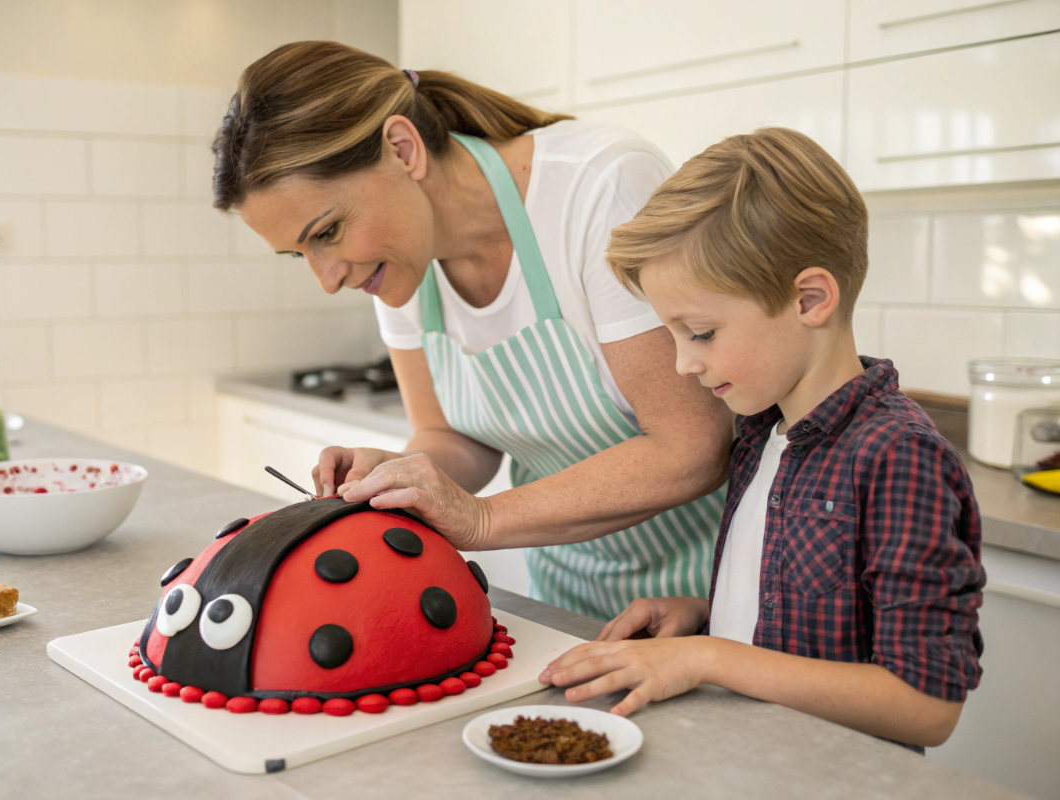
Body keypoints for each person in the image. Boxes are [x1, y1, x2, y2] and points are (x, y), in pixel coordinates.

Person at [212, 41, 733, 620]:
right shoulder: (398, 263)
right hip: (565, 595)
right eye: (299, 254)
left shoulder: (597, 186)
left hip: (711, 593)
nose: (328, 279)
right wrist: (396, 473)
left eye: (328, 232)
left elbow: (693, 447)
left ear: (403, 149)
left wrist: (480, 518)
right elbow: (452, 435)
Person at [539, 127, 984, 750]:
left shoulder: (898, 457)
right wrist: (704, 616)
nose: (682, 364)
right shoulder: (758, 432)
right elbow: (805, 616)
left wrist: (709, 658)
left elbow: (926, 705)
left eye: (700, 332)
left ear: (809, 299)